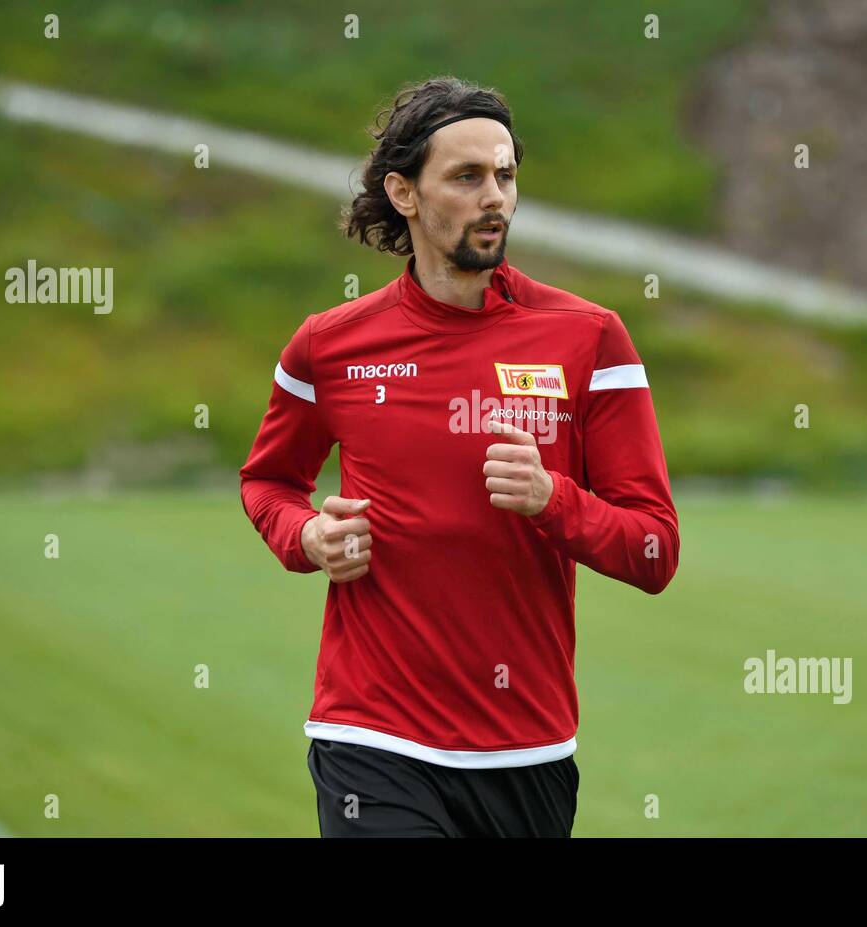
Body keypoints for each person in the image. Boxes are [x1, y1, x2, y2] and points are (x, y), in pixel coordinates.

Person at [239, 76, 680, 837]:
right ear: (404, 192)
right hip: (371, 738)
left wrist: (554, 500)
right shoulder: (328, 344)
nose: (495, 198)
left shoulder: (591, 338)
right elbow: (270, 481)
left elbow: (655, 549)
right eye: (468, 176)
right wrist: (306, 536)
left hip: (528, 751)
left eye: (506, 175)